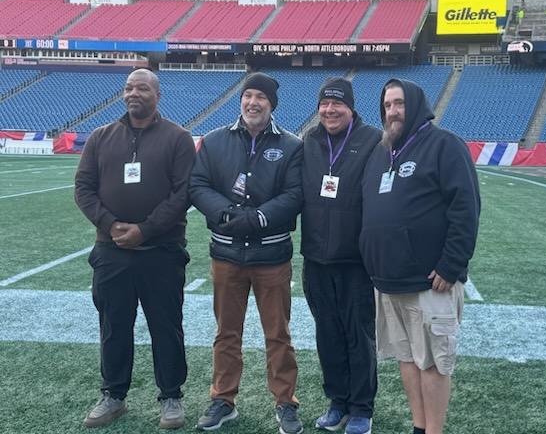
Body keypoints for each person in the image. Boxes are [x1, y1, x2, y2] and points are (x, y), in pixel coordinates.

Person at [75, 69, 196, 429]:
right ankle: (113, 395)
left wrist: (145, 230)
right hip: (111, 252)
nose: (133, 94)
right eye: (128, 88)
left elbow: (183, 193)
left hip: (162, 251)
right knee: (114, 326)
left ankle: (171, 396)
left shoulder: (177, 138)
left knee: (166, 326)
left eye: (142, 88)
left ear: (157, 95)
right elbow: (83, 188)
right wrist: (110, 224)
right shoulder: (101, 137)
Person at [359, 79, 481, 434]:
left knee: (433, 363)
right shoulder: (381, 152)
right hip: (388, 281)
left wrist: (451, 264)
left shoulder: (444, 145)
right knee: (407, 359)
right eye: (387, 105)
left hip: (430, 281)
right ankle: (418, 426)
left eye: (398, 103)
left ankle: (434, 430)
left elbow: (466, 208)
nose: (392, 112)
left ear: (415, 105)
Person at [189, 72, 304, 434]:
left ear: (272, 104)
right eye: (248, 96)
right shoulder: (214, 140)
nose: (253, 103)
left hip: (271, 257)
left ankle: (285, 401)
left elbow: (295, 194)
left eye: (261, 97)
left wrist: (258, 217)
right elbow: (198, 184)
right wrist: (225, 213)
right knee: (226, 333)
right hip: (226, 255)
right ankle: (223, 399)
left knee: (278, 334)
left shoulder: (292, 145)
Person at [301, 78, 381, 434]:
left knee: (358, 337)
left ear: (351, 108)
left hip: (355, 261)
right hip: (316, 259)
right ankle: (337, 401)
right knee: (328, 336)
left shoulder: (373, 140)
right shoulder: (310, 140)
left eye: (337, 104)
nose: (330, 110)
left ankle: (362, 407)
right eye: (324, 104)